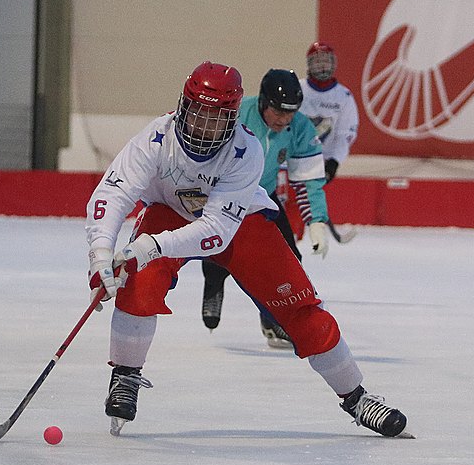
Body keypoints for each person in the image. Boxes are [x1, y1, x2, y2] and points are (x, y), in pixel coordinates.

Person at [85, 61, 407, 437]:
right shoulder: (154, 138)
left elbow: (216, 232)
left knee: (301, 308)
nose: (205, 126)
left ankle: (357, 397)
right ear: (183, 106)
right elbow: (113, 193)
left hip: (239, 222)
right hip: (169, 212)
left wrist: (152, 245)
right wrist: (100, 254)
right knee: (136, 283)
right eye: (199, 113)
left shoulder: (247, 151)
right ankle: (125, 375)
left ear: (234, 117)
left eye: (217, 118)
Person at [200, 68, 333, 347]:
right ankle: (213, 286)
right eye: (278, 112)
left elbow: (308, 178)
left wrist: (317, 221)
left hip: (263, 198)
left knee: (288, 258)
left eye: (291, 113)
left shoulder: (299, 127)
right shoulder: (236, 115)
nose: (284, 119)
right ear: (262, 102)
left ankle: (273, 320)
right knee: (216, 249)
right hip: (224, 195)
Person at [299, 42, 359, 185]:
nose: (322, 66)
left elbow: (345, 134)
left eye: (326, 61)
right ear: (309, 64)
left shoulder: (344, 96)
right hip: (294, 159)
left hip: (322, 162)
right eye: (318, 62)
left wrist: (334, 160)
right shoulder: (298, 88)